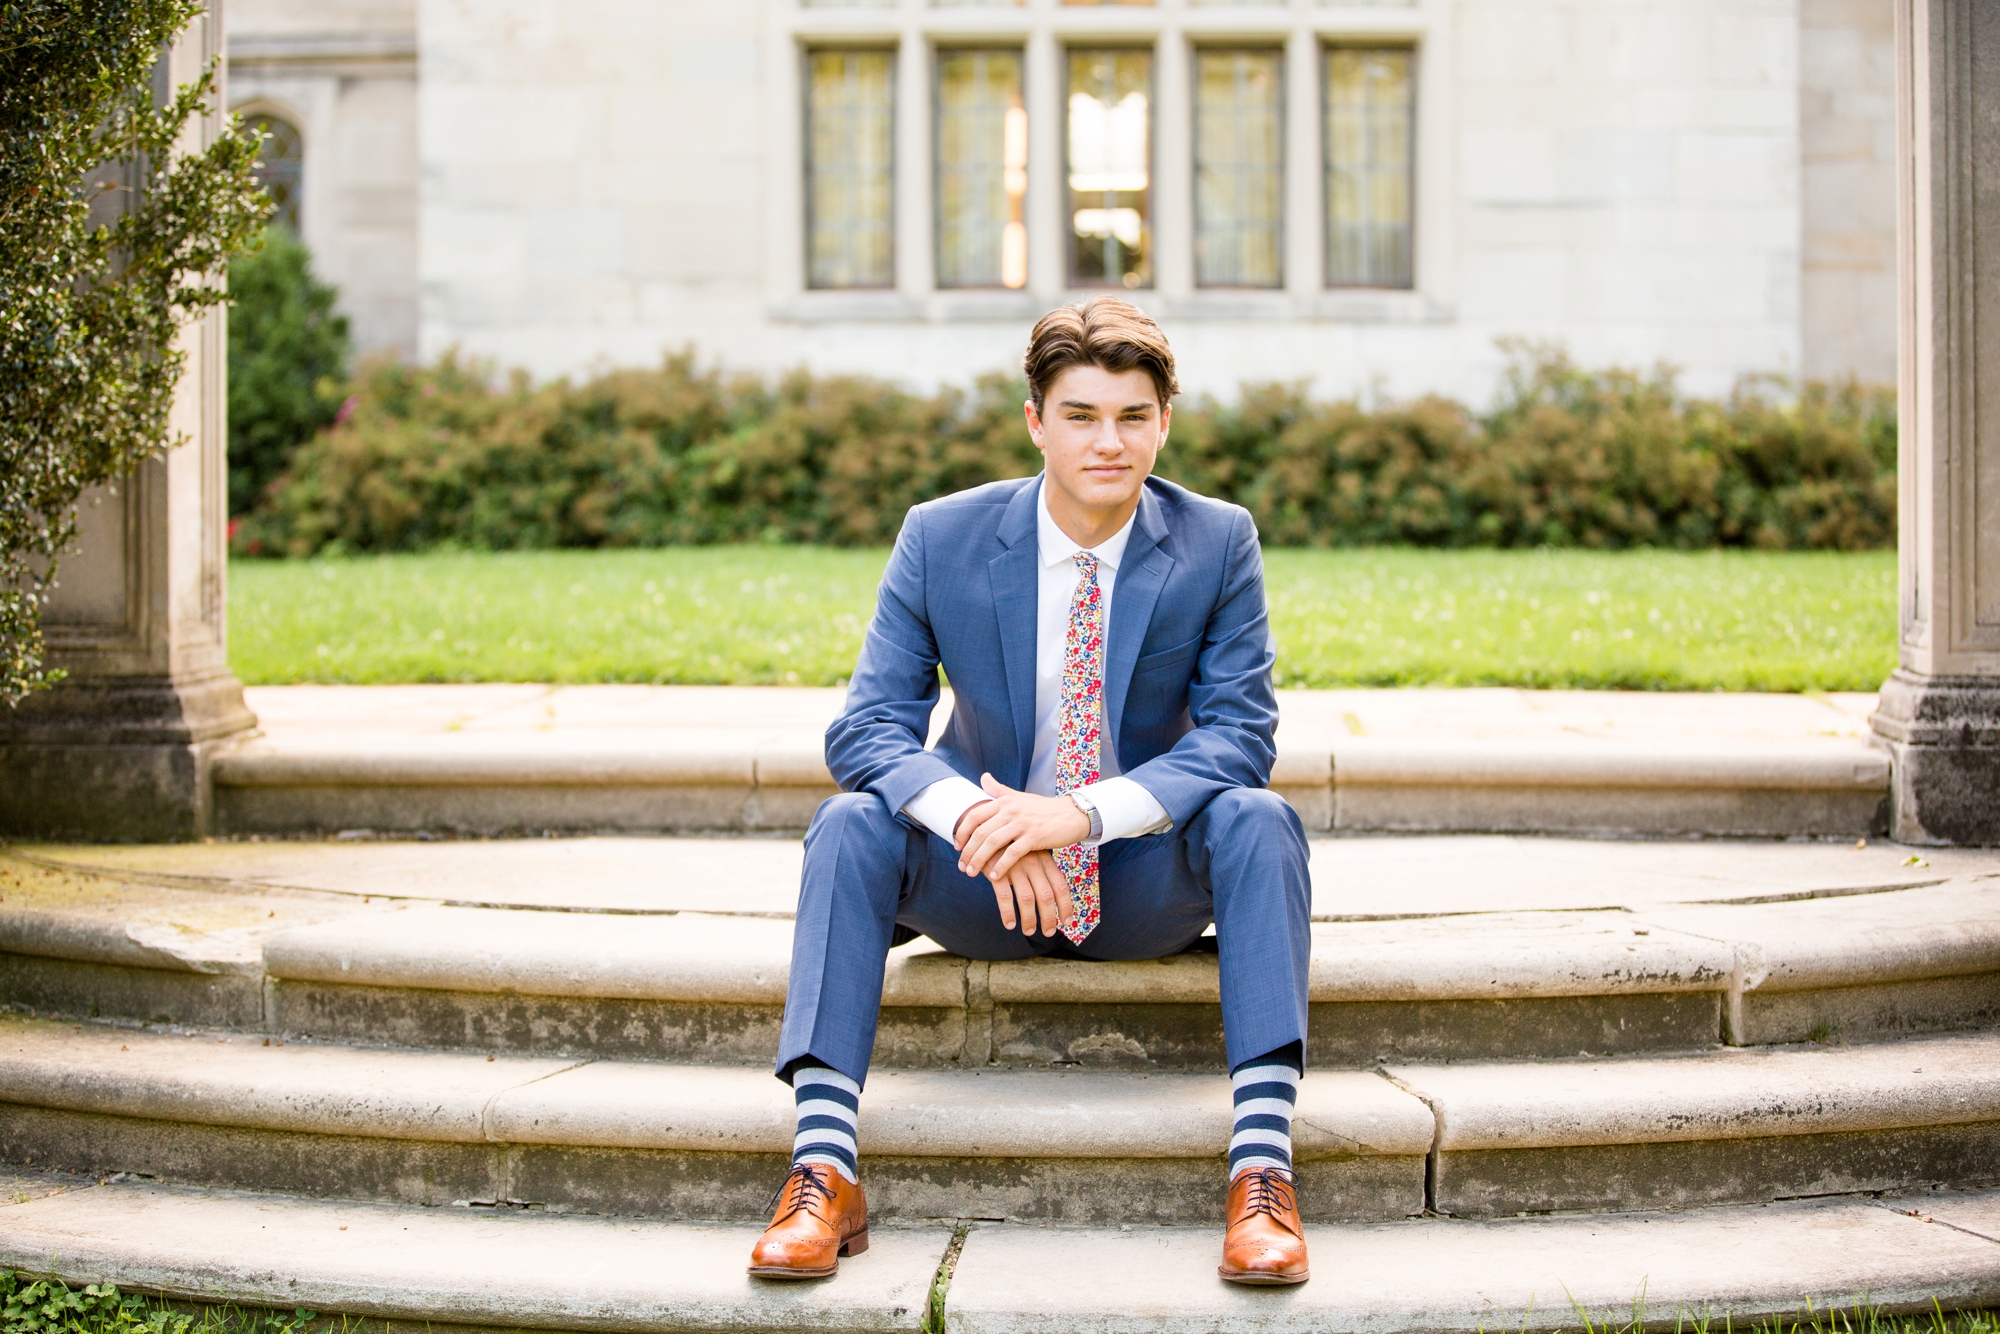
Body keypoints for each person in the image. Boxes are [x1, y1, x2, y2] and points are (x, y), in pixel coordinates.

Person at [747, 297, 1312, 1286]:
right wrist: (982, 818)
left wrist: (1078, 815)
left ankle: (1260, 1172)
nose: (1109, 440)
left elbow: (1240, 734)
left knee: (1260, 819)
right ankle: (821, 1172)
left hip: (1138, 881)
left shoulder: (1216, 541)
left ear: (1164, 423)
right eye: (1082, 414)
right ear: (1034, 421)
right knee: (847, 822)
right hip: (980, 880)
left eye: (1134, 416)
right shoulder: (943, 536)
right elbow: (867, 727)